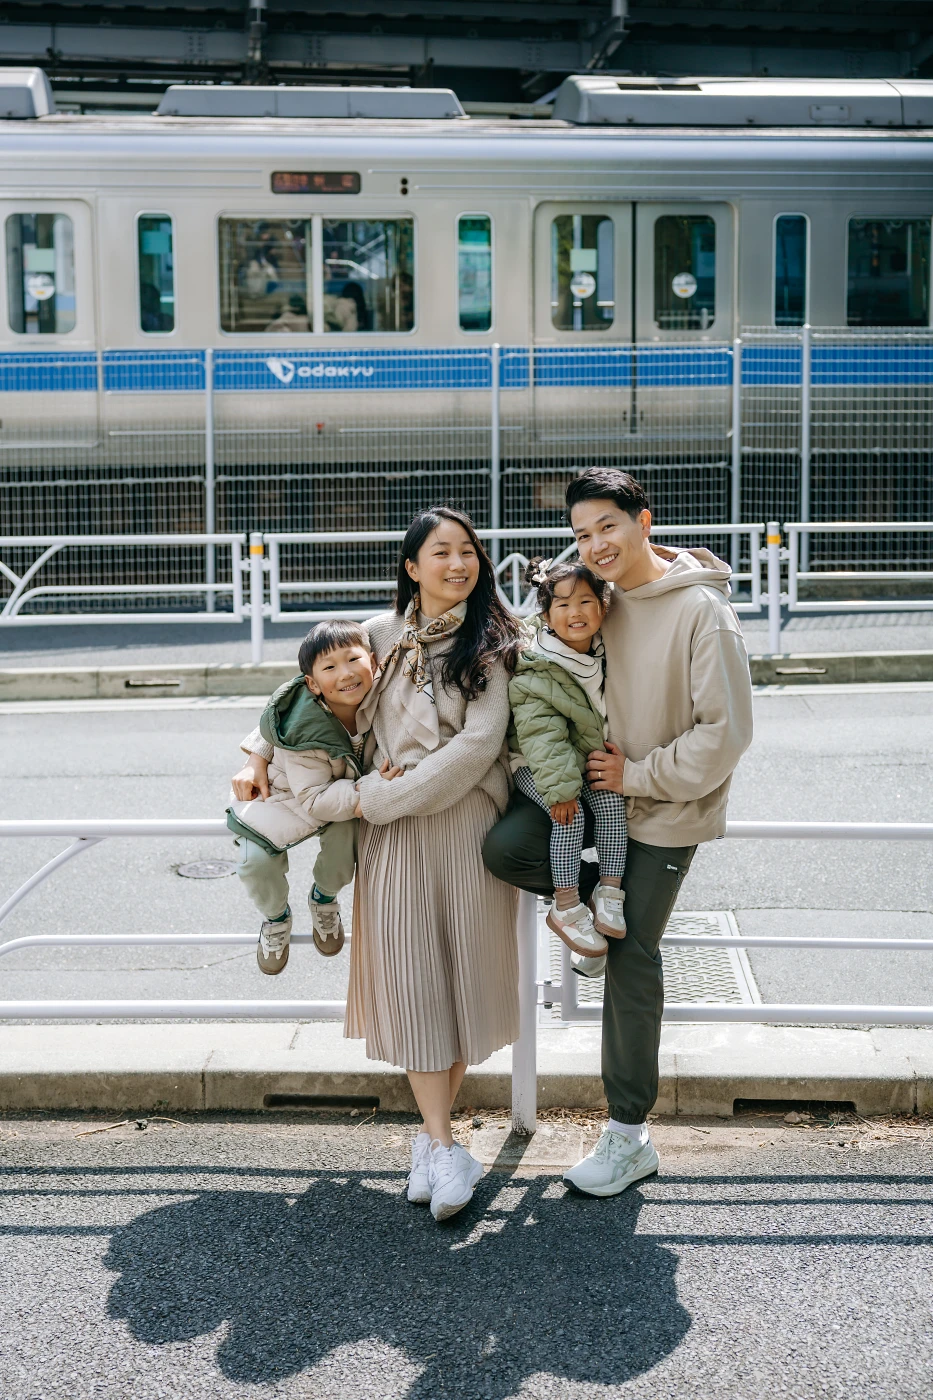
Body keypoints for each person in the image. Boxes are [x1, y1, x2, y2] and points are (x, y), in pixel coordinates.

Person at [234, 506, 522, 1223]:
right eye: (442, 552)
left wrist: (378, 799)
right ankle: (441, 1142)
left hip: (459, 827)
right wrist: (256, 750)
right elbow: (304, 685)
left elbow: (477, 747)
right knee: (416, 985)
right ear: (411, 566)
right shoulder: (379, 636)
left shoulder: (491, 644)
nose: (458, 565)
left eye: (468, 552)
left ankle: (434, 1144)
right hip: (389, 837)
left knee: (458, 987)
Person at [484, 468, 753, 1198]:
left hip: (663, 804)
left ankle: (629, 1136)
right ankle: (587, 922)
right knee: (506, 846)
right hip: (597, 793)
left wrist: (635, 775)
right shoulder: (600, 598)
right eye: (580, 533)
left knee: (635, 953)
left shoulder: (701, 612)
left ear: (643, 521)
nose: (594, 544)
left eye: (607, 526)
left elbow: (725, 737)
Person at [229, 621, 399, 975]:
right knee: (255, 862)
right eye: (330, 667)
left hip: (337, 793)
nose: (346, 673)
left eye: (353, 660)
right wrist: (370, 786)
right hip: (284, 794)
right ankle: (276, 918)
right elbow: (314, 798)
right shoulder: (306, 730)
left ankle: (324, 898)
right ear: (313, 684)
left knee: (345, 845)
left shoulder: (382, 698)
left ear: (373, 661)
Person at [507, 556, 627, 963]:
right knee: (569, 816)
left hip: (580, 757)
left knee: (612, 804)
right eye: (562, 604)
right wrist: (560, 791)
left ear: (603, 606)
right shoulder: (537, 666)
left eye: (585, 602)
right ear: (546, 614)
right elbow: (541, 736)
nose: (575, 613)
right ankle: (566, 903)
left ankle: (609, 889)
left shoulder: (604, 651)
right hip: (535, 765)